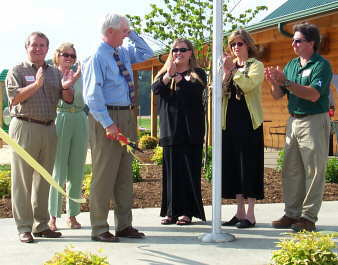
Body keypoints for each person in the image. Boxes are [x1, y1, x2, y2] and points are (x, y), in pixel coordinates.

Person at [82, 13, 153, 242]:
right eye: (123, 31)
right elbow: (92, 95)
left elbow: (147, 54)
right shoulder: (97, 56)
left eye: (127, 31)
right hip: (107, 117)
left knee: (124, 174)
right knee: (104, 176)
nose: (126, 34)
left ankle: (124, 226)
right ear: (110, 31)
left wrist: (132, 34)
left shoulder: (121, 51)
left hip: (125, 114)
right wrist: (108, 123)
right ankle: (100, 228)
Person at [5, 32, 74, 243]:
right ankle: (24, 227)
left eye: (42, 45)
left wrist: (68, 86)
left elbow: (67, 100)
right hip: (24, 127)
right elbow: (14, 99)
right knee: (23, 181)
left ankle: (41, 225)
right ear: (26, 47)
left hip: (49, 128)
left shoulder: (54, 72)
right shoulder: (16, 70)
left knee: (44, 179)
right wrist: (36, 85)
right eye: (34, 45)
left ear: (47, 49)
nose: (38, 48)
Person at [265, 22, 332, 232]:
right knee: (291, 170)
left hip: (314, 120)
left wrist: (285, 83)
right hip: (293, 121)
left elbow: (313, 95)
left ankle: (308, 217)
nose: (293, 44)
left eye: (298, 40)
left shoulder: (321, 65)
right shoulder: (291, 65)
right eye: (292, 40)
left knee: (314, 170)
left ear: (311, 43)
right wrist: (274, 82)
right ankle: (292, 214)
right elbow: (277, 96)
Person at [152, 38, 207, 226]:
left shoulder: (197, 74)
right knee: (171, 175)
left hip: (190, 132)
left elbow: (192, 93)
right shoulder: (164, 73)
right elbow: (157, 89)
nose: (178, 53)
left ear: (190, 53)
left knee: (188, 174)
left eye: (183, 50)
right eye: (175, 50)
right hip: (170, 132)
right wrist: (168, 75)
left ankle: (187, 212)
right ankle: (171, 212)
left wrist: (177, 78)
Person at [221, 29, 265, 229]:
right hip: (229, 123)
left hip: (249, 123)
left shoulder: (256, 65)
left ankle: (251, 214)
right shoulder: (228, 67)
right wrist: (224, 74)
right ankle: (239, 212)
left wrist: (233, 71)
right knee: (234, 167)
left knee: (250, 166)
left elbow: (249, 85)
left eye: (239, 44)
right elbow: (219, 91)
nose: (236, 48)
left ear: (248, 45)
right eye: (232, 45)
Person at [48, 43, 89, 231]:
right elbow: (63, 97)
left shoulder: (80, 76)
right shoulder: (51, 74)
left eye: (73, 56)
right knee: (58, 171)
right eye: (65, 55)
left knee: (76, 170)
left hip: (80, 118)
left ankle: (72, 215)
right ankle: (53, 216)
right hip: (61, 118)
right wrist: (67, 84)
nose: (69, 59)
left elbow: (84, 98)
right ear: (57, 55)